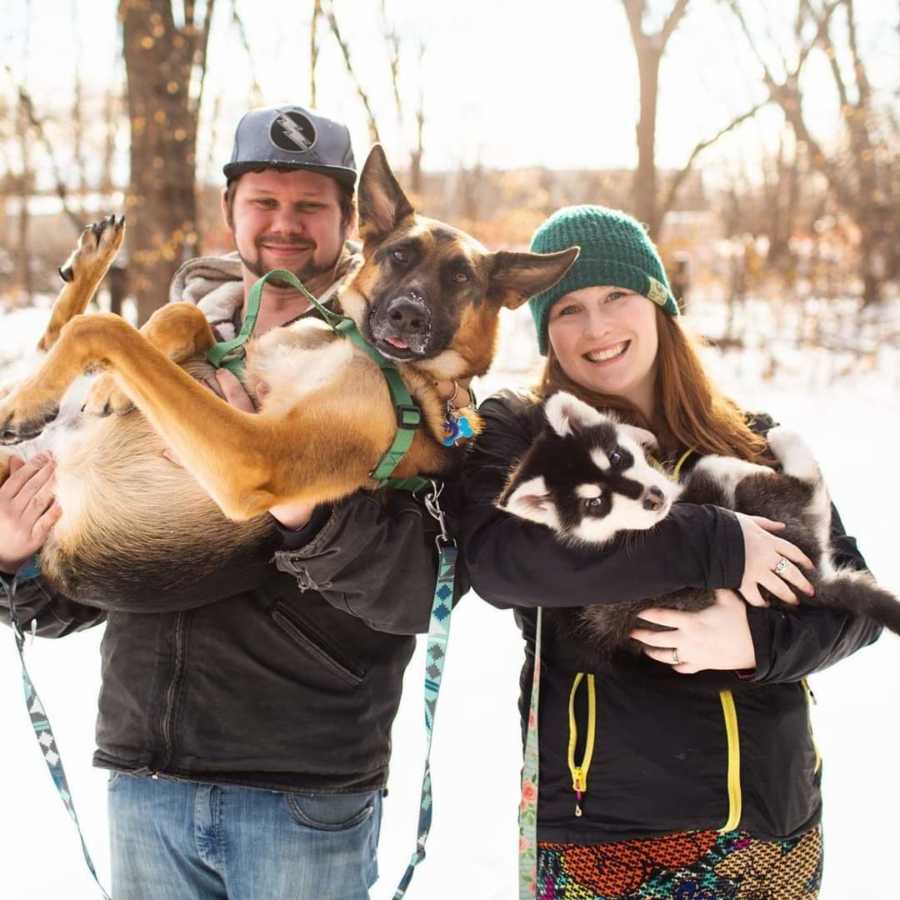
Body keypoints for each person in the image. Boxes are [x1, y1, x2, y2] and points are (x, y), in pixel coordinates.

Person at [0, 105, 465, 900]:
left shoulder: (399, 367)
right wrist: (14, 556)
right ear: (230, 211)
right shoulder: (183, 330)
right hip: (147, 780)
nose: (285, 224)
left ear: (350, 221)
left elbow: (417, 587)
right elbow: (69, 601)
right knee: (161, 331)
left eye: (311, 206)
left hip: (302, 791)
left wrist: (302, 507)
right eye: (265, 201)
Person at [461, 205, 881, 899]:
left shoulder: (753, 442)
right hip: (611, 836)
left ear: (657, 301)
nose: (596, 328)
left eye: (616, 296)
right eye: (568, 309)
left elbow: (854, 602)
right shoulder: (523, 433)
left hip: (773, 824)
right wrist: (713, 543)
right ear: (544, 331)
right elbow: (501, 562)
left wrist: (753, 644)